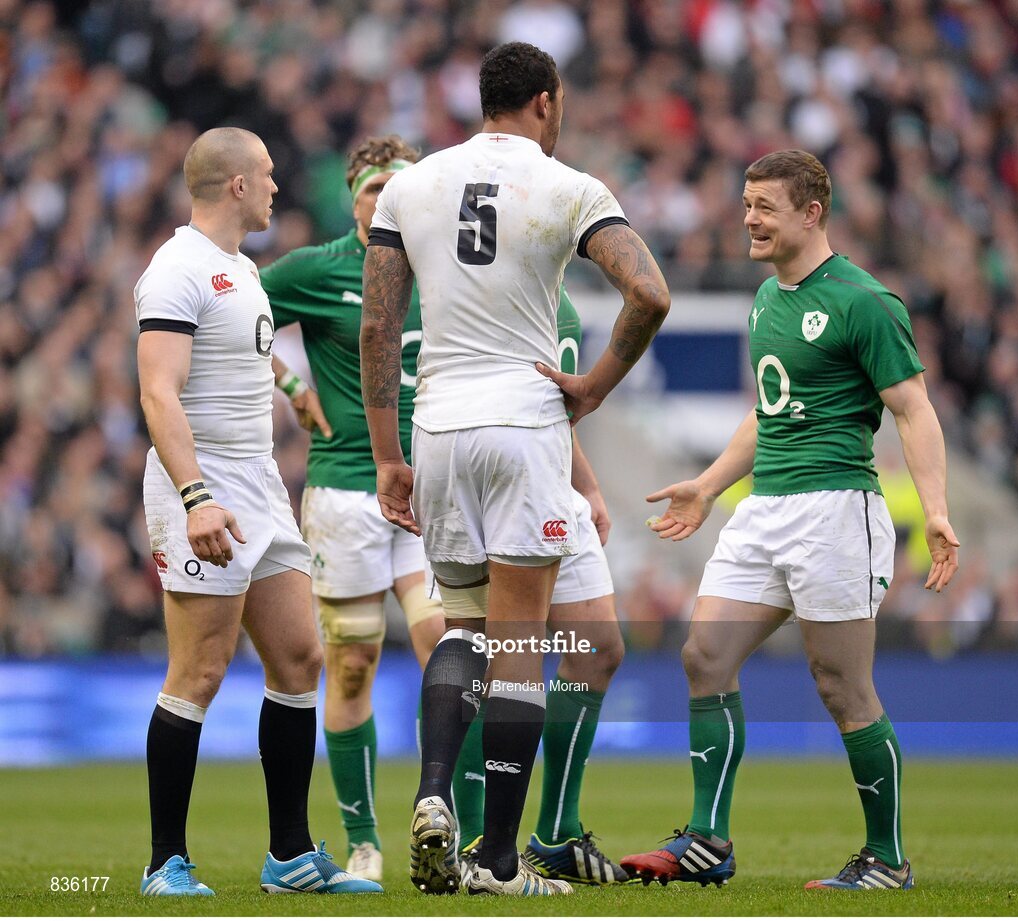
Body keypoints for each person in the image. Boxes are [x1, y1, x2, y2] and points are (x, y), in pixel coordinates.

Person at [360, 41, 670, 897]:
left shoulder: (411, 186)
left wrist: (389, 454)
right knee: (524, 643)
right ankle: (499, 858)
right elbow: (650, 292)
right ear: (544, 100)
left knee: (462, 630)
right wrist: (596, 387)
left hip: (438, 425)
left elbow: (380, 330)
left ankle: (431, 795)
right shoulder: (569, 186)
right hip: (524, 419)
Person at [620, 149, 960, 892]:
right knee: (703, 656)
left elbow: (913, 408)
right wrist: (709, 486)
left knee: (842, 687)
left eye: (764, 206)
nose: (749, 218)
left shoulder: (865, 301)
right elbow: (766, 413)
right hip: (764, 507)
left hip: (836, 508)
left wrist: (934, 510)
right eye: (746, 204)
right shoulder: (767, 299)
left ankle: (887, 859)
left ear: (812, 213)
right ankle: (708, 840)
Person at [135, 126, 382, 897]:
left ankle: (290, 856)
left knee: (301, 658)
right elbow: (157, 390)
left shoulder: (239, 269)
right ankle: (164, 862)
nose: (279, 187)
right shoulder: (176, 268)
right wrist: (195, 495)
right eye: (269, 175)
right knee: (200, 670)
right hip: (204, 484)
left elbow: (243, 348)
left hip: (262, 484)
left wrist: (289, 385)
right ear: (237, 184)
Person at [260, 135, 445, 883]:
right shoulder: (316, 269)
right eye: (373, 190)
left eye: (398, 187)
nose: (384, 201)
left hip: (434, 492)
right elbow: (224, 310)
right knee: (353, 664)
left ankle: (444, 818)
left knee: (446, 652)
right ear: (353, 195)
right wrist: (288, 381)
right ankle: (363, 838)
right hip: (344, 490)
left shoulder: (444, 269)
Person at [451, 288, 629, 887]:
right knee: (490, 652)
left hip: (553, 485)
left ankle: (554, 834)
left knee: (598, 648)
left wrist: (591, 487)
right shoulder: (469, 296)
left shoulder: (560, 308)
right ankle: (474, 836)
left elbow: (553, 413)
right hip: (489, 485)